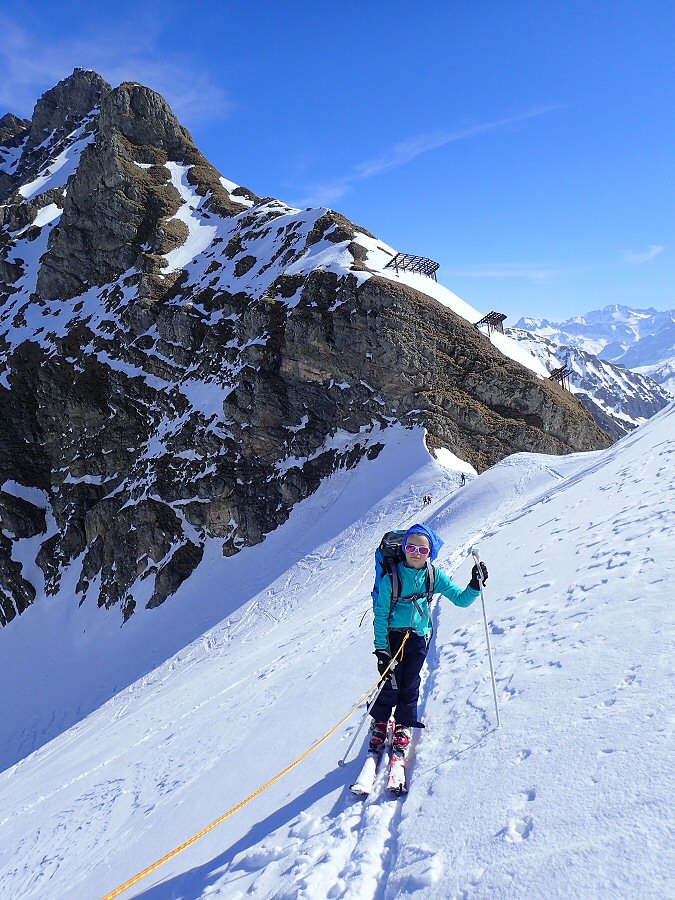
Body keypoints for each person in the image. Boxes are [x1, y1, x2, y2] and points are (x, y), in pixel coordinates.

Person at [369, 523, 487, 758]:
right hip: (392, 637)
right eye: (411, 547)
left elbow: (462, 600)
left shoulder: (434, 576)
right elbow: (380, 616)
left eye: (422, 550)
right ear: (403, 548)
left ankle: (403, 722)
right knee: (389, 682)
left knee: (410, 682)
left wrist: (474, 585)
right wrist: (381, 650)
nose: (416, 553)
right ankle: (380, 721)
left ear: (430, 554)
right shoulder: (390, 579)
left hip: (417, 638)